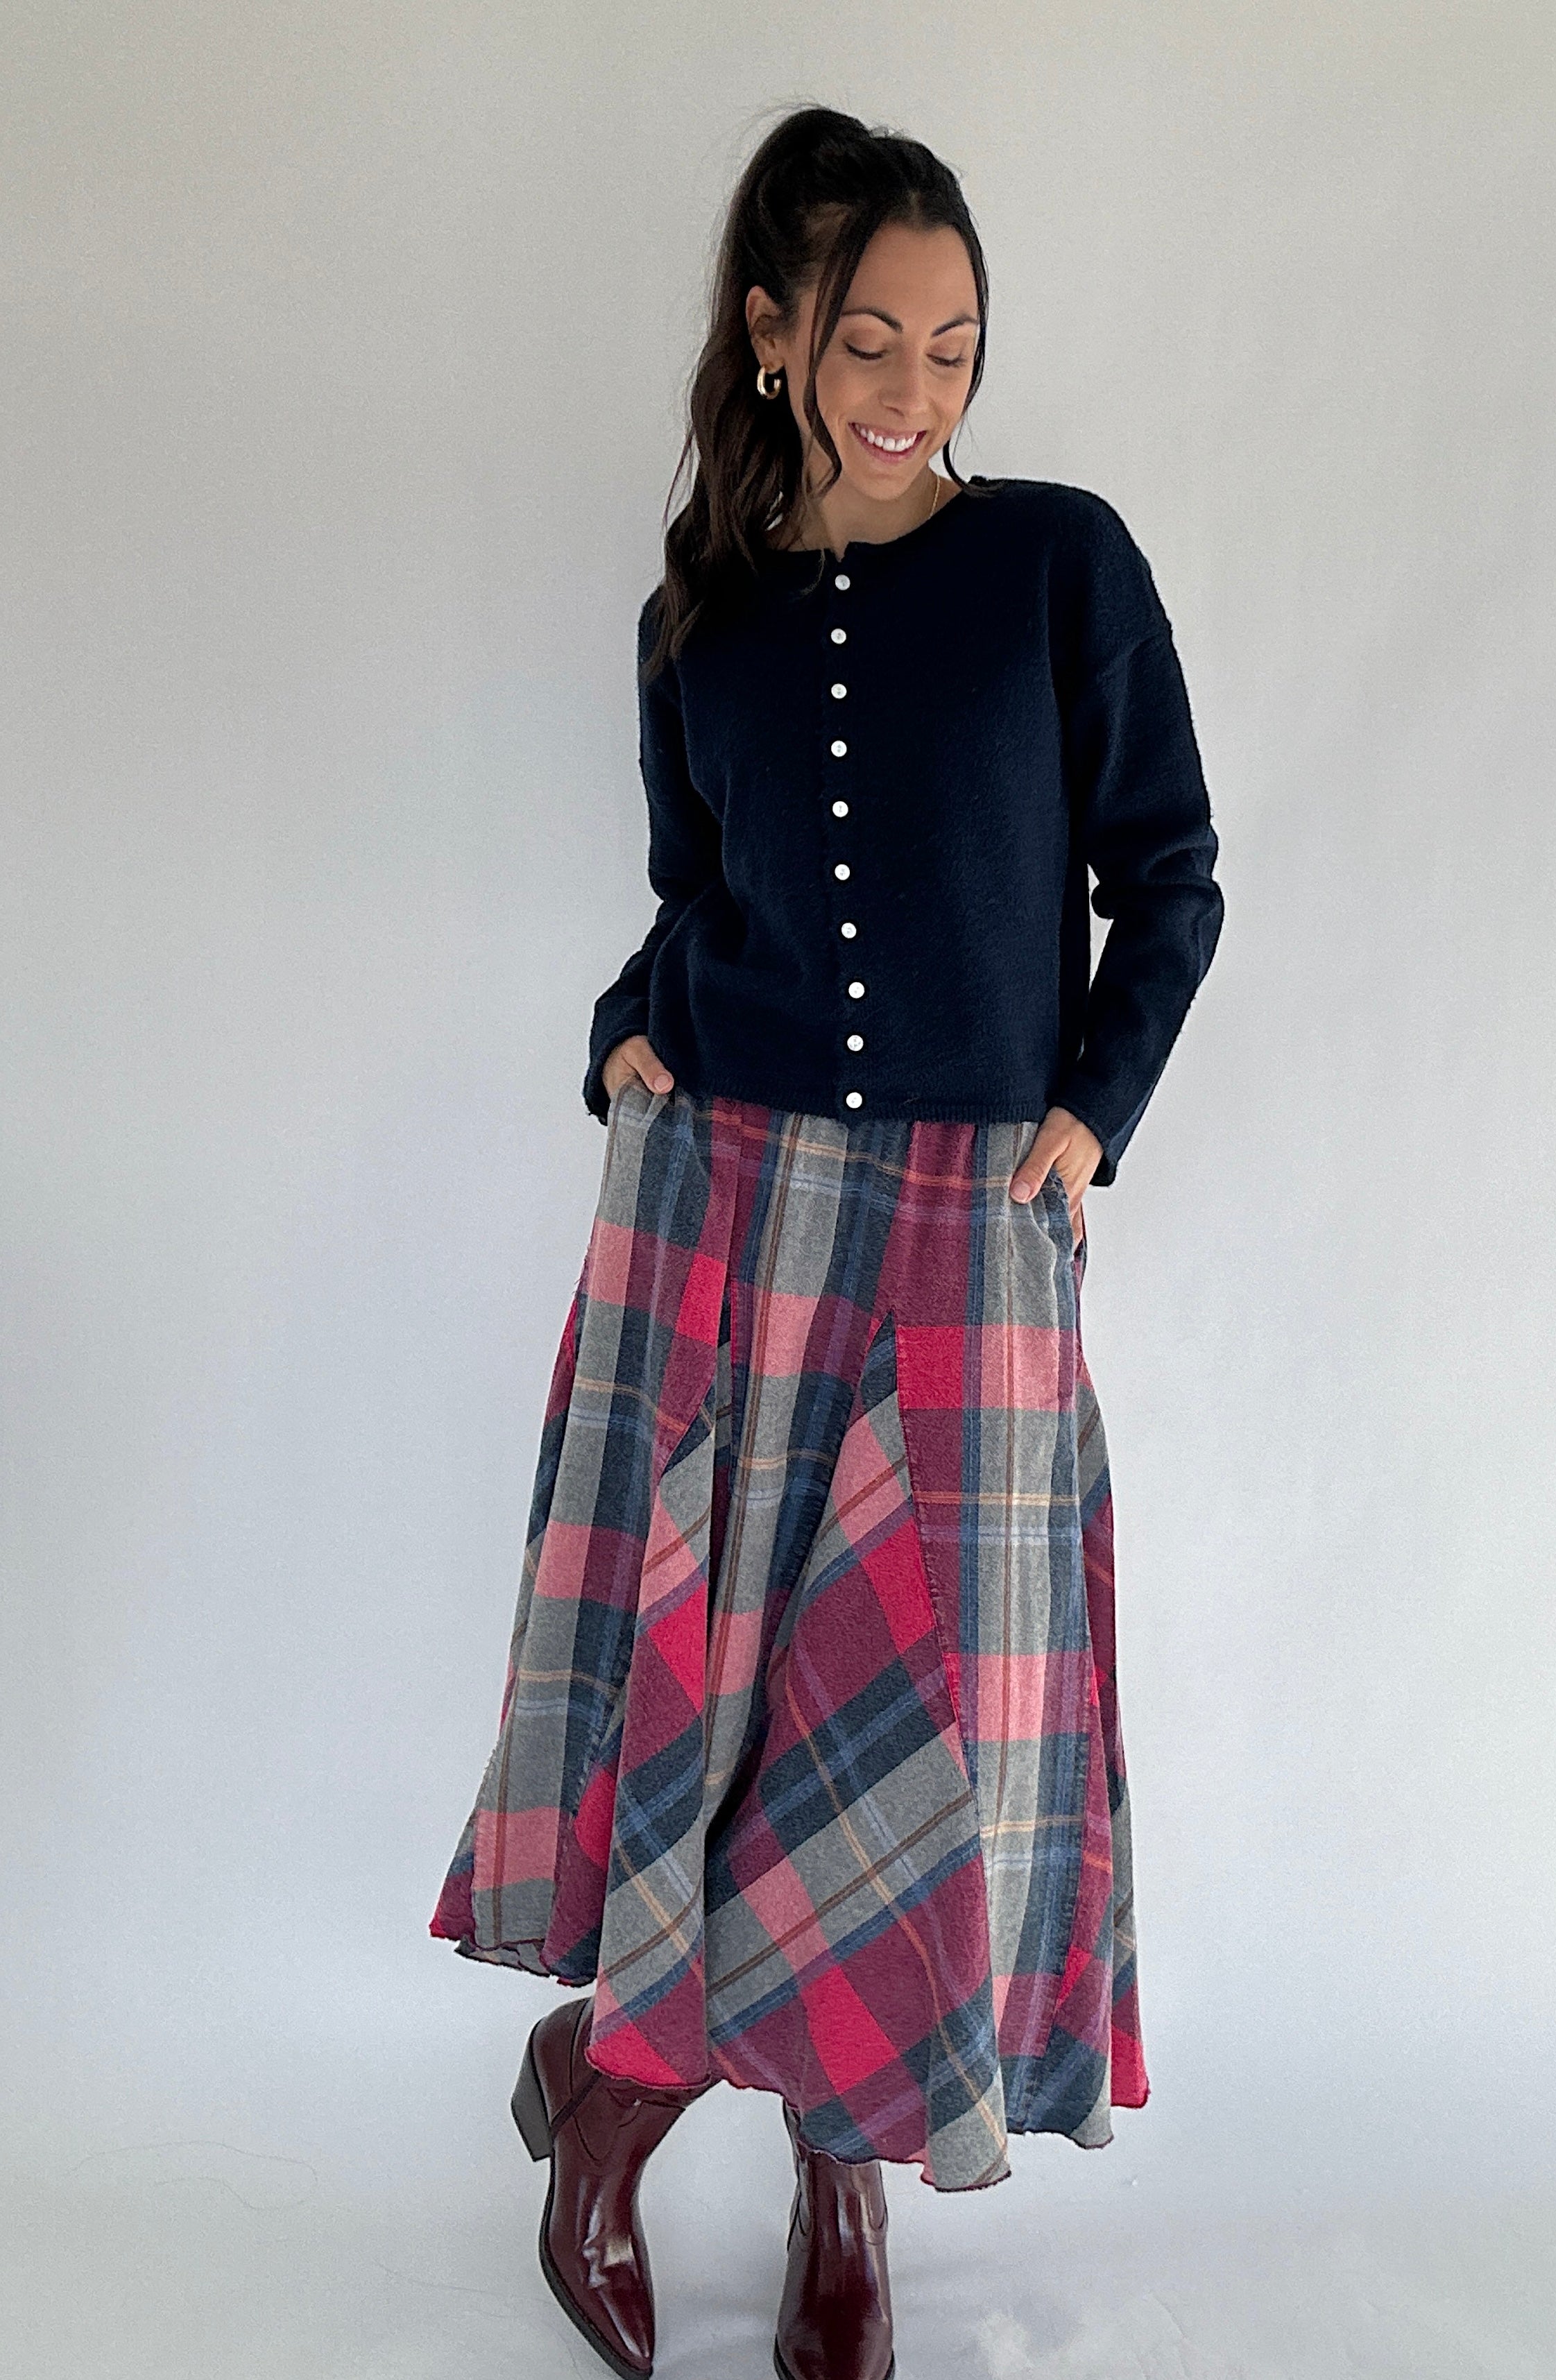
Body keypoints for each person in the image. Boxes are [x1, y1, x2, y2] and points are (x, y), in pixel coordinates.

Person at [430, 101, 1224, 2380]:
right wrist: (622, 1037)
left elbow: (1170, 874)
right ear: (773, 337)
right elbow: (697, 902)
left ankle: (693, 2104)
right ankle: (708, 2141)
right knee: (741, 1704)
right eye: (870, 338)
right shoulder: (706, 617)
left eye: (957, 347)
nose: (913, 389)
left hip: (979, 1217)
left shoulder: (1065, 565)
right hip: (737, 1198)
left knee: (928, 1727)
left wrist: (1092, 1108)